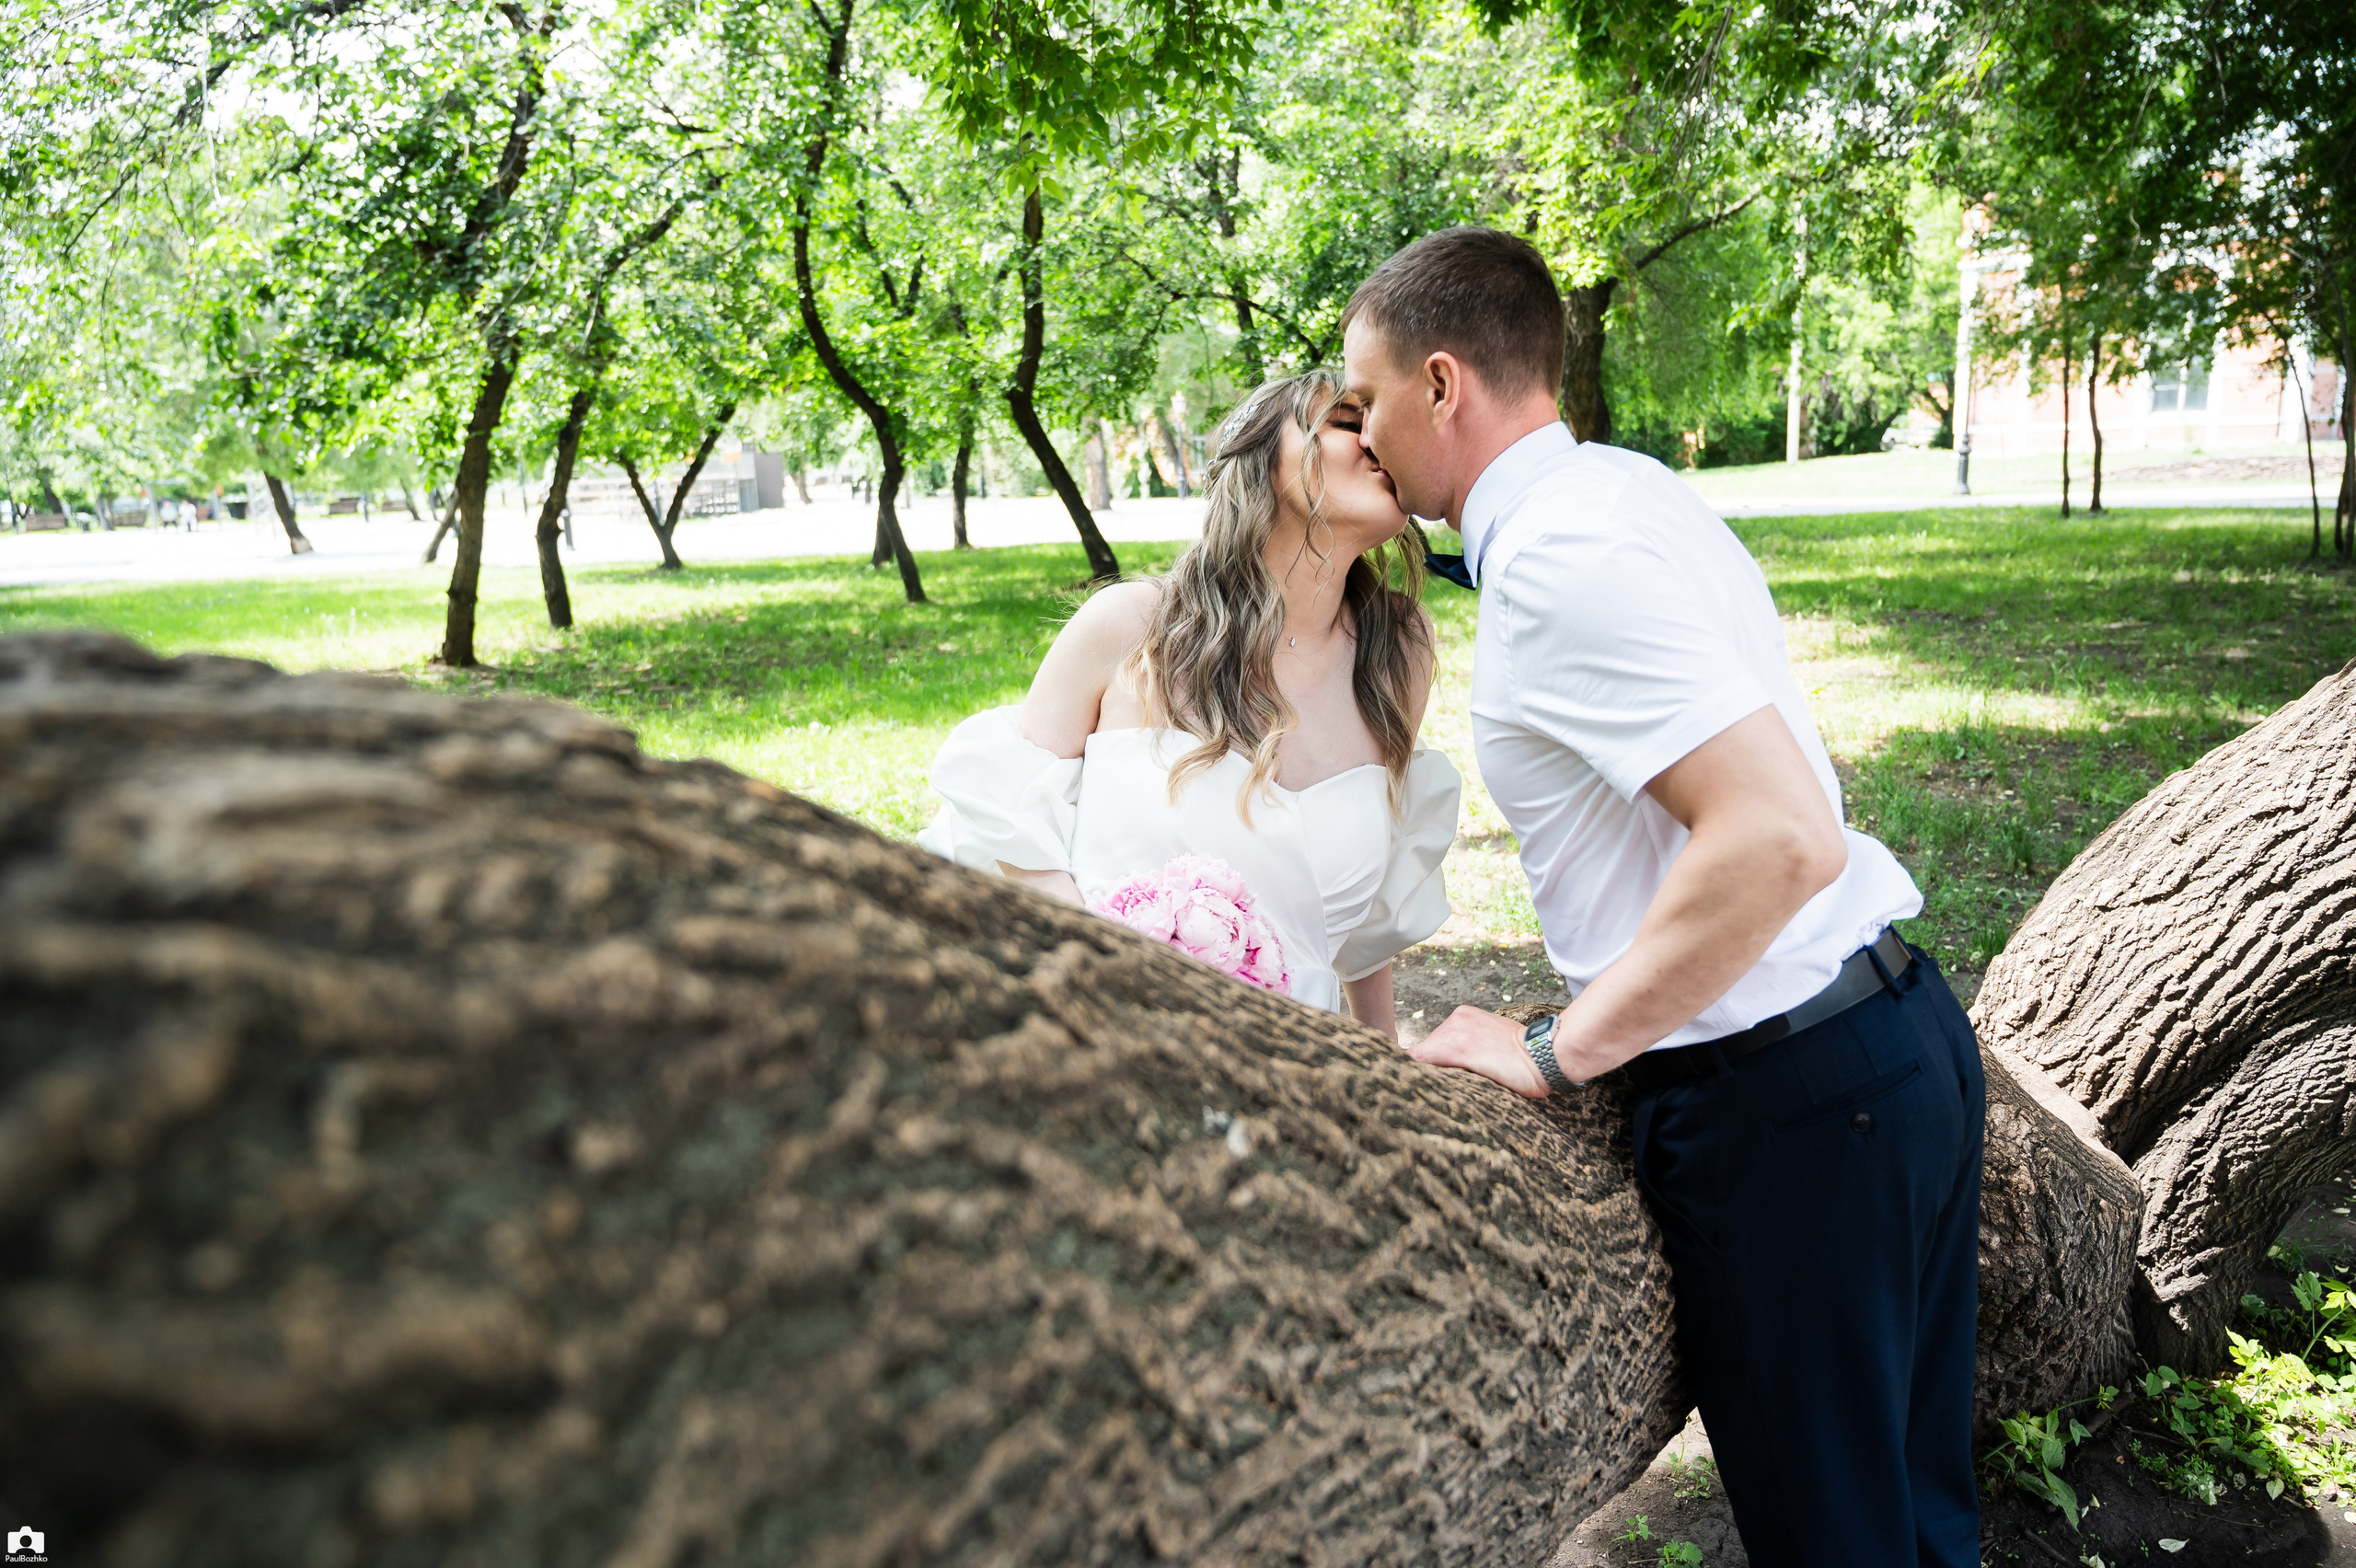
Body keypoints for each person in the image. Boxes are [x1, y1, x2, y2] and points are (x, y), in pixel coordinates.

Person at [1341, 227, 1983, 1566]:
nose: (1365, 430)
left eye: (1371, 395)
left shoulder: (1561, 559)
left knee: (1841, 1546)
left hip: (1791, 1110)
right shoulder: (1622, 494)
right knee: (1917, 1525)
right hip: (1885, 1044)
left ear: (1443, 385)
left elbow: (1777, 838)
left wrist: (1551, 1051)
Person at [917, 369, 1461, 1034]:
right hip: (1099, 1032)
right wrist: (1111, 973)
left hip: (1303, 1077)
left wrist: (1381, 1065)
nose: (1379, 442)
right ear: (1262, 461)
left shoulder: (1399, 650)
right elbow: (1000, 816)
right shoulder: (1130, 626)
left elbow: (1363, 929)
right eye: (1347, 423)